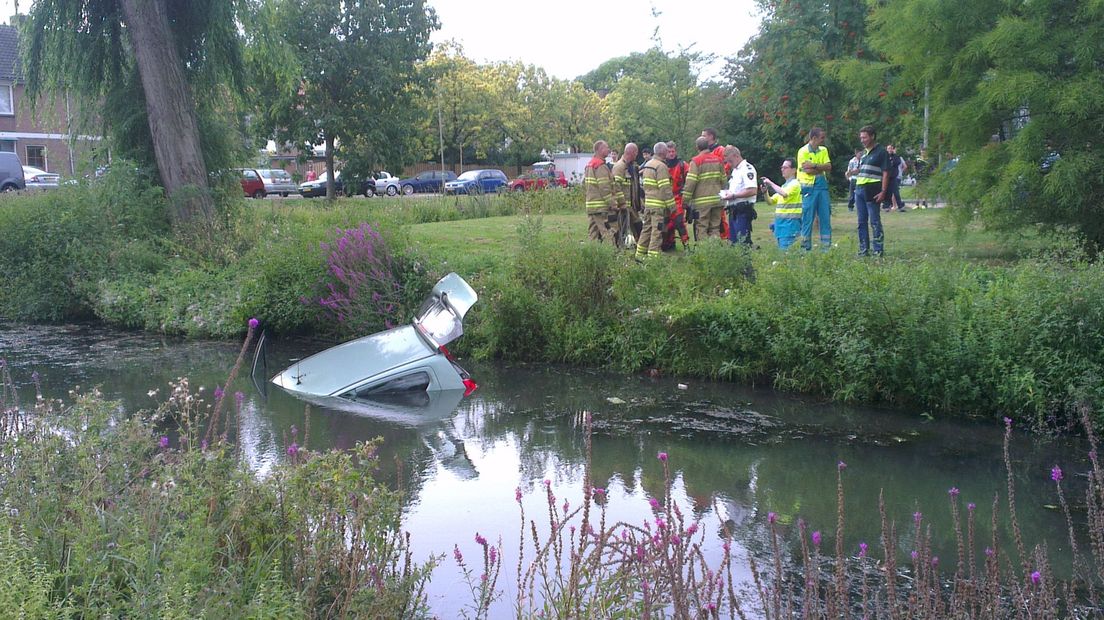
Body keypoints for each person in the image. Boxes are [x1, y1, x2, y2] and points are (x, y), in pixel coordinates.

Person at [853, 125, 891, 256]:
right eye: (861, 137)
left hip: (872, 188)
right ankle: (864, 249)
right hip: (859, 188)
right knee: (861, 221)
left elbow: (886, 173)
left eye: (865, 137)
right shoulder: (863, 154)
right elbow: (863, 169)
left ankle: (878, 249)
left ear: (872, 136)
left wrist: (883, 191)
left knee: (874, 220)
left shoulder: (881, 152)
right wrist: (852, 172)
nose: (862, 140)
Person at [682, 136, 727, 240]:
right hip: (717, 200)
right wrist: (724, 197)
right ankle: (714, 251)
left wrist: (685, 201)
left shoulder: (696, 161)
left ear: (697, 147)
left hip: (701, 203)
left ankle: (704, 253)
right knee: (715, 228)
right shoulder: (719, 160)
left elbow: (690, 183)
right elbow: (724, 181)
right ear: (708, 146)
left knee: (701, 228)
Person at [636, 142, 675, 260]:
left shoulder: (648, 165)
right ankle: (653, 257)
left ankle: (639, 254)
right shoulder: (661, 166)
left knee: (646, 229)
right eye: (667, 151)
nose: (669, 153)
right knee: (657, 231)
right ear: (663, 152)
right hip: (658, 206)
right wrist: (672, 206)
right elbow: (665, 188)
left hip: (648, 204)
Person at [797, 127, 832, 251]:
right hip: (808, 188)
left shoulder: (823, 150)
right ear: (814, 138)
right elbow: (808, 171)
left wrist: (815, 165)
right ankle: (805, 249)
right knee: (807, 219)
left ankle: (826, 249)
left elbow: (829, 167)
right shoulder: (803, 151)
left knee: (825, 217)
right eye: (821, 138)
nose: (823, 140)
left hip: (822, 187)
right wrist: (819, 168)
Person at [583, 140, 620, 244]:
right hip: (601, 207)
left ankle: (592, 255)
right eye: (606, 147)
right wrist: (613, 204)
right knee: (607, 231)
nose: (608, 149)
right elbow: (605, 188)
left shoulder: (589, 164)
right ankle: (611, 254)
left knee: (593, 233)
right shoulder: (600, 166)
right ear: (600, 150)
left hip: (591, 206)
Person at [719, 146, 758, 245]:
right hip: (733, 210)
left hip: (743, 210)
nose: (729, 164)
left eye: (730, 161)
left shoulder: (747, 169)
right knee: (734, 243)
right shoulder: (736, 170)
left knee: (743, 242)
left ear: (736, 156)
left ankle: (745, 260)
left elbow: (752, 190)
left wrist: (733, 196)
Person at [761, 158, 802, 249]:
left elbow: (784, 193)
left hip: (790, 225)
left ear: (794, 170)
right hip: (781, 226)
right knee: (783, 253)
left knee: (787, 253)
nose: (782, 169)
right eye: (782, 167)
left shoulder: (795, 184)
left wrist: (770, 183)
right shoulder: (784, 186)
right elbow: (770, 201)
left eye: (785, 167)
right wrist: (765, 192)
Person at [611, 142, 643, 247]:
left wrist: (639, 203)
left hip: (632, 208)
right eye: (636, 152)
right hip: (623, 208)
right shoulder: (619, 167)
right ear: (631, 152)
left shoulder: (632, 167)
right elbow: (616, 187)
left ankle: (641, 250)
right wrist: (622, 203)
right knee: (621, 230)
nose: (637, 155)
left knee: (639, 228)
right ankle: (618, 249)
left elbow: (635, 187)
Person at [662, 141, 690, 250]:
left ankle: (686, 245)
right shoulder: (661, 165)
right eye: (669, 151)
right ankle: (669, 243)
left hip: (678, 197)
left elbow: (691, 178)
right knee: (666, 223)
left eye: (673, 151)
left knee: (679, 222)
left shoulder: (682, 165)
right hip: (665, 198)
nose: (671, 154)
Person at [883, 144, 904, 212]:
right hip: (886, 177)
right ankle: (886, 206)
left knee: (896, 192)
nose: (890, 150)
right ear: (886, 149)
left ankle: (900, 207)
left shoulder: (896, 156)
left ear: (892, 149)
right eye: (888, 148)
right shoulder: (884, 156)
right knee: (887, 192)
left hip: (893, 177)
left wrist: (892, 160)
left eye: (891, 148)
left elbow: (898, 162)